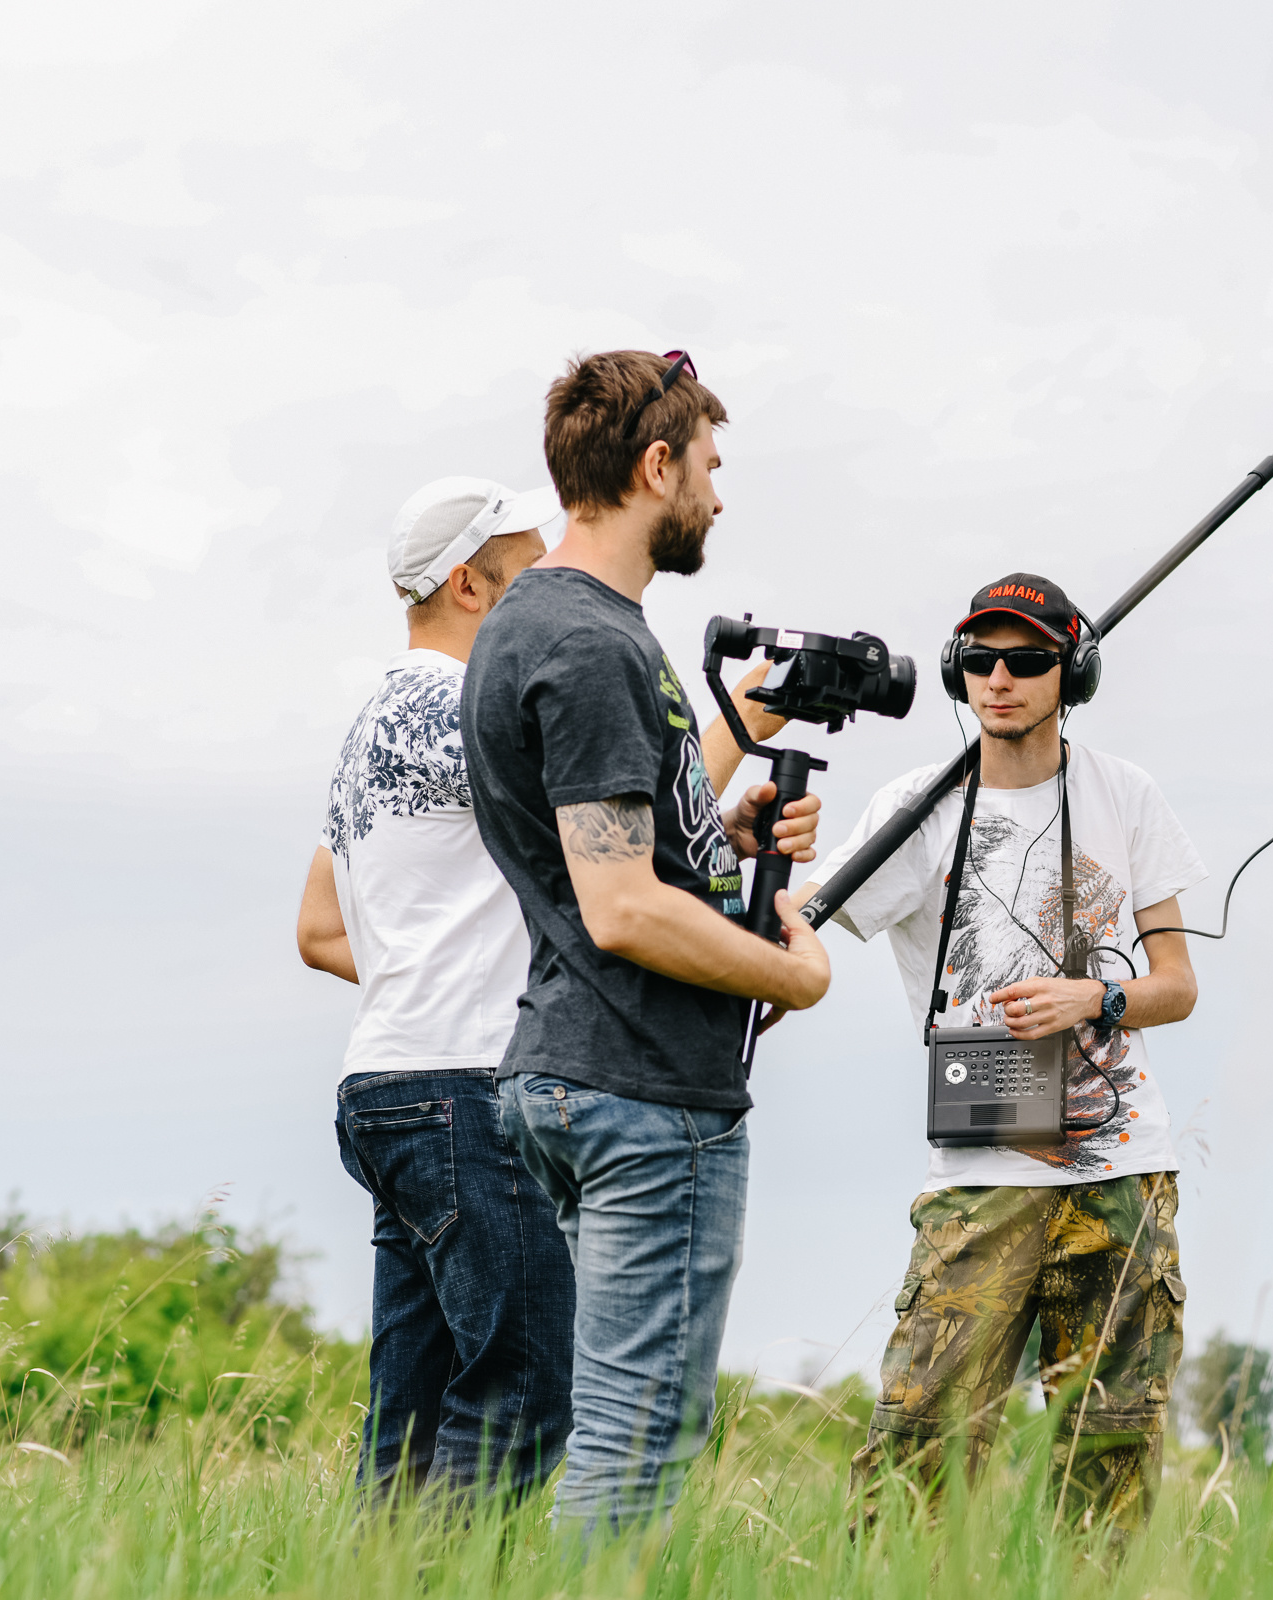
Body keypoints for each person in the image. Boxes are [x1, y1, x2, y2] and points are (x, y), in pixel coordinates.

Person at [461, 350, 830, 1540]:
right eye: (709, 469)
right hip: (640, 1088)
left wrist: (717, 836)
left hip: (571, 1072)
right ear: (654, 463)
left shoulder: (538, 622)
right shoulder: (597, 645)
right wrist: (794, 973)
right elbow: (620, 905)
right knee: (636, 1442)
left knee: (615, 1421)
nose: (718, 499)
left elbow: (610, 859)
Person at [807, 573, 1205, 1548]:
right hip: (980, 1174)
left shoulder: (1127, 792)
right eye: (980, 658)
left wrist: (1092, 996)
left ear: (1070, 672)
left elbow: (1179, 984)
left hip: (1123, 1170)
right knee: (921, 1444)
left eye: (1026, 659)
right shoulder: (916, 806)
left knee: (1109, 1450)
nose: (1000, 677)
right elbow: (809, 924)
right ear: (958, 669)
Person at [293, 476, 574, 1500]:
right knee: (525, 1392)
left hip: (384, 1086)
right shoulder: (477, 709)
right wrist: (742, 724)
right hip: (465, 1090)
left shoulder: (368, 726)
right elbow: (614, 832)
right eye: (535, 574)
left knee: (406, 1423)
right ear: (470, 583)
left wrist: (427, 956)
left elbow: (321, 929)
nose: (555, 594)